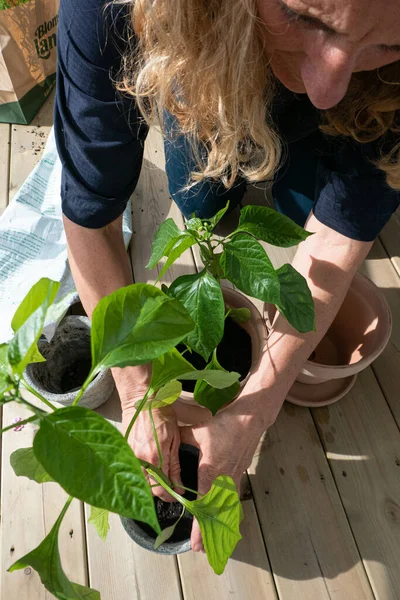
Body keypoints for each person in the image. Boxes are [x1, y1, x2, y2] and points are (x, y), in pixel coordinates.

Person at [55, 0, 400, 553]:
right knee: (198, 202)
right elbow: (90, 214)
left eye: (389, 43)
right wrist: (138, 392)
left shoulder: (348, 86)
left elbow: (344, 231)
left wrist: (253, 412)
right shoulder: (108, 8)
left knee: (301, 210)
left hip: (344, 109)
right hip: (211, 59)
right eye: (306, 17)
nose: (327, 84)